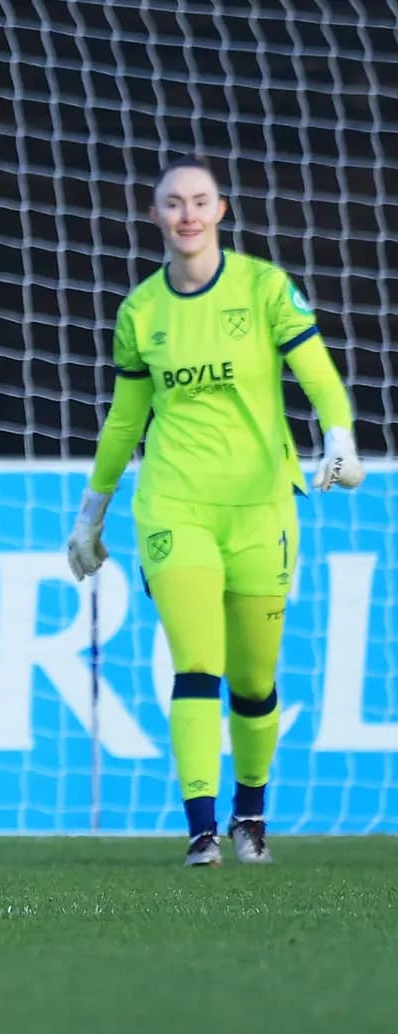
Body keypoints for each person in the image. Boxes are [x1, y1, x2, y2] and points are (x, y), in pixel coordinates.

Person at [67, 157, 363, 866]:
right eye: (174, 203)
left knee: (255, 680)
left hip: (261, 504)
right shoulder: (141, 311)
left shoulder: (264, 288)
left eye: (201, 202)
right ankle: (202, 830)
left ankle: (249, 814)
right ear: (156, 216)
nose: (188, 215)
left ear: (222, 211)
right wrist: (91, 515)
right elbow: (124, 419)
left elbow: (316, 370)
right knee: (196, 661)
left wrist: (341, 437)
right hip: (174, 503)